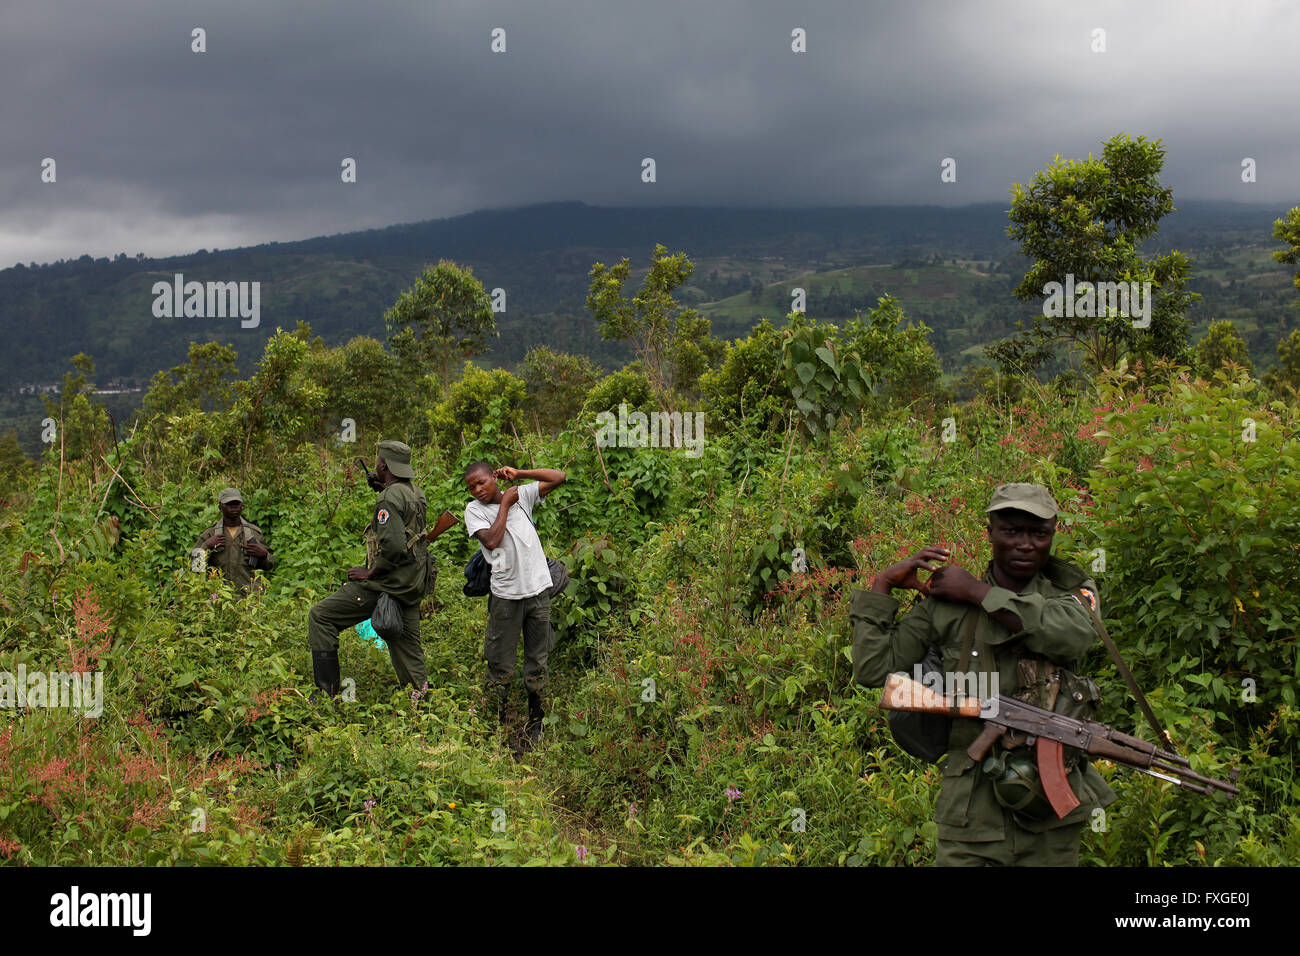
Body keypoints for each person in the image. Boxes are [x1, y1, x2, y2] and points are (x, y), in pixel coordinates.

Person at [850, 483, 1115, 866]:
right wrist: (882, 586)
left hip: (1049, 815)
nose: (1026, 544)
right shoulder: (946, 606)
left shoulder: (1070, 597)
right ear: (989, 532)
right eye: (1011, 531)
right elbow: (874, 668)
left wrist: (979, 593)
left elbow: (1071, 638)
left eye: (1039, 534)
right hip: (970, 813)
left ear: (1053, 534)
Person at [307, 440, 431, 698]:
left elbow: (395, 546)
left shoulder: (388, 498)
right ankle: (422, 702)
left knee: (321, 616)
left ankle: (326, 694)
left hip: (386, 582)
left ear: (383, 465)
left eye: (378, 461)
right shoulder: (416, 493)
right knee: (406, 644)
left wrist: (370, 573)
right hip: (410, 582)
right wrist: (384, 488)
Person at [463, 461, 566, 748]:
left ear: (494, 477)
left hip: (537, 592)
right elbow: (493, 541)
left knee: (538, 655)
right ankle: (494, 721)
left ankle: (536, 717)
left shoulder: (523, 496)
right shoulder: (475, 511)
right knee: (499, 660)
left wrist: (520, 475)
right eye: (472, 487)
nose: (478, 490)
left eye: (482, 482)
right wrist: (506, 504)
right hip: (506, 596)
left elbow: (559, 476)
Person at [195, 488, 275, 595]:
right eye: (229, 504)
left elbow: (270, 565)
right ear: (220, 507)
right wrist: (206, 546)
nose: (234, 507)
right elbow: (194, 568)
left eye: (236, 504)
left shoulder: (253, 533)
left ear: (242, 506)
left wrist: (264, 555)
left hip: (250, 599)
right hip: (219, 597)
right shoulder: (210, 534)